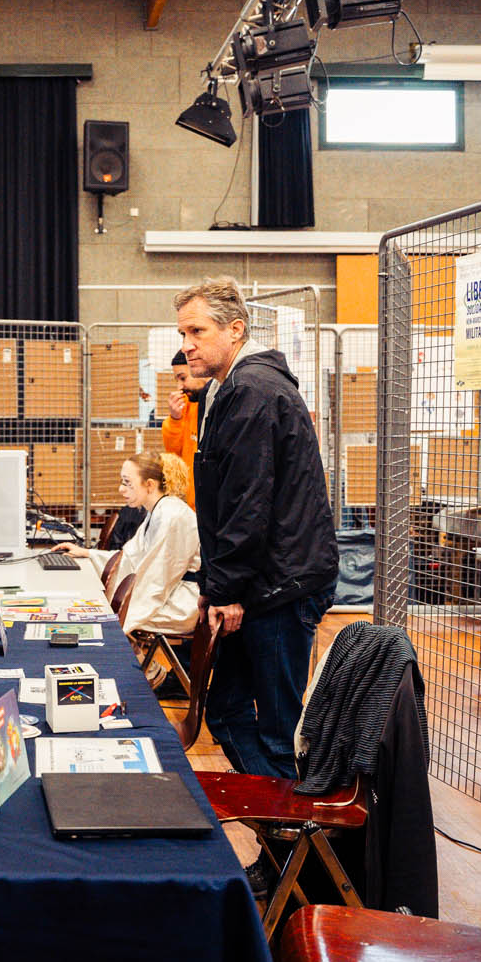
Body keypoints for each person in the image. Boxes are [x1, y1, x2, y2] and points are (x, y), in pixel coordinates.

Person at [177, 276, 337, 781]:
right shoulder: (231, 389)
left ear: (236, 329)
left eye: (198, 331)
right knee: (226, 710)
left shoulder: (253, 391)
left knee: (277, 731)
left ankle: (294, 825)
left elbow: (247, 503)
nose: (187, 345)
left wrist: (225, 590)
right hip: (264, 582)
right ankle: (276, 819)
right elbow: (230, 499)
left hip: (280, 586)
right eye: (183, 333)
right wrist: (216, 585)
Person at [60, 452, 201, 637]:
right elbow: (130, 558)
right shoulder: (158, 511)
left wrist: (119, 611)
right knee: (99, 608)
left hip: (180, 604)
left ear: (149, 485)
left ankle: (119, 649)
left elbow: (156, 581)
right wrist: (88, 554)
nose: (121, 489)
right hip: (166, 594)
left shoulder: (171, 516)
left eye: (127, 483)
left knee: (102, 615)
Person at [160, 350, 207, 463]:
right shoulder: (186, 404)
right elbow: (173, 454)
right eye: (177, 380)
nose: (179, 387)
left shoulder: (225, 401)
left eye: (183, 378)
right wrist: (175, 419)